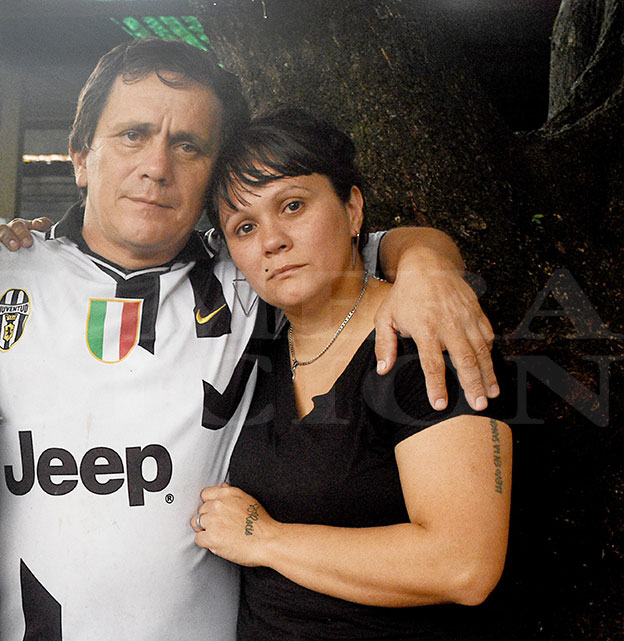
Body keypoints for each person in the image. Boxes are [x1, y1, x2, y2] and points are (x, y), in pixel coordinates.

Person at [0, 38, 500, 641]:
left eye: (188, 145)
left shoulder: (250, 280)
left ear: (211, 177)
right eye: (133, 134)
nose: (156, 166)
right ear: (81, 157)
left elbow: (351, 256)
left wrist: (427, 263)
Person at [192, 107, 511, 639]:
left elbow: (464, 565)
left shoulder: (423, 336)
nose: (272, 240)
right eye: (244, 227)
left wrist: (266, 540)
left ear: (353, 209)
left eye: (292, 205)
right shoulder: (254, 345)